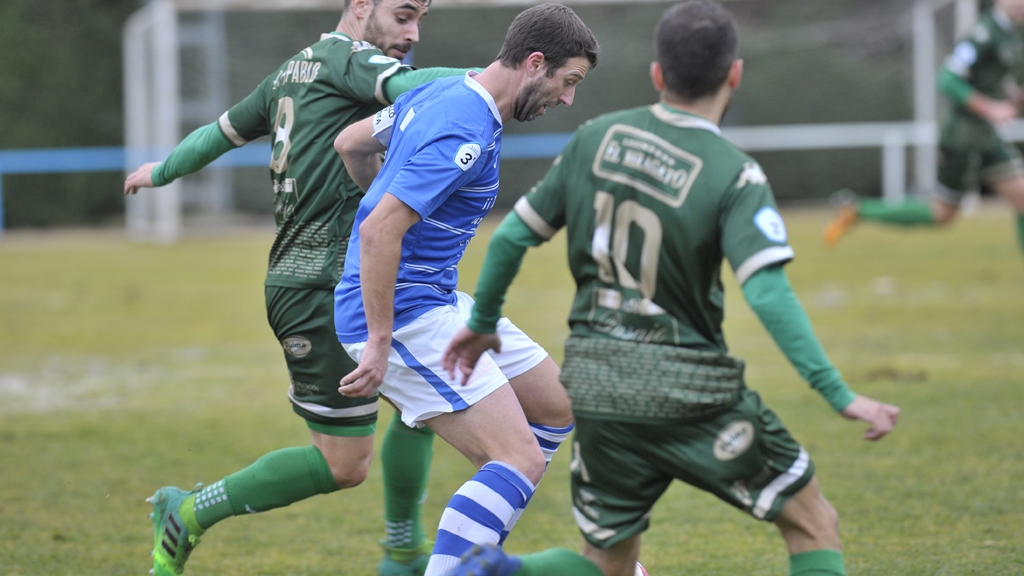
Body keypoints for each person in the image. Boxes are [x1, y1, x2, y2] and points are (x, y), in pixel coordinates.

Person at [442, 3, 901, 576]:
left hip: (598, 387)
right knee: (812, 521)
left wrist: (483, 320)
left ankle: (505, 571)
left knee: (608, 562)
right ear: (734, 74)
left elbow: (511, 236)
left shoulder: (595, 140)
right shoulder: (734, 172)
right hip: (690, 387)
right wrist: (838, 394)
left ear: (658, 75)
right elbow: (767, 294)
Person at [122, 0, 480, 574]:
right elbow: (411, 83)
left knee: (425, 396)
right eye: (403, 15)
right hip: (320, 285)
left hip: (339, 279)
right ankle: (187, 512)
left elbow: (220, 134)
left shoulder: (291, 71)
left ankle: (402, 550)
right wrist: (488, 83)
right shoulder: (351, 59)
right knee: (344, 464)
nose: (412, 33)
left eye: (420, 21)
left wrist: (162, 170)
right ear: (361, 6)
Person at [331, 4, 598, 576]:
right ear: (534, 64)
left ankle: (478, 542)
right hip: (402, 318)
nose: (568, 98)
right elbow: (381, 226)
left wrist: (388, 195)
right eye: (567, 81)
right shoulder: (464, 125)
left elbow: (352, 142)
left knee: (555, 407)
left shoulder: (444, 94)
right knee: (517, 458)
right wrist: (379, 340)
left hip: (437, 301)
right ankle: (464, 563)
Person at [823, 0, 1024, 255]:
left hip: (986, 135)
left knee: (1022, 198)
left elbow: (991, 77)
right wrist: (991, 108)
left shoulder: (1012, 33)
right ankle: (857, 210)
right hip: (962, 137)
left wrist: (1012, 94)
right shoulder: (982, 34)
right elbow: (948, 79)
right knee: (942, 213)